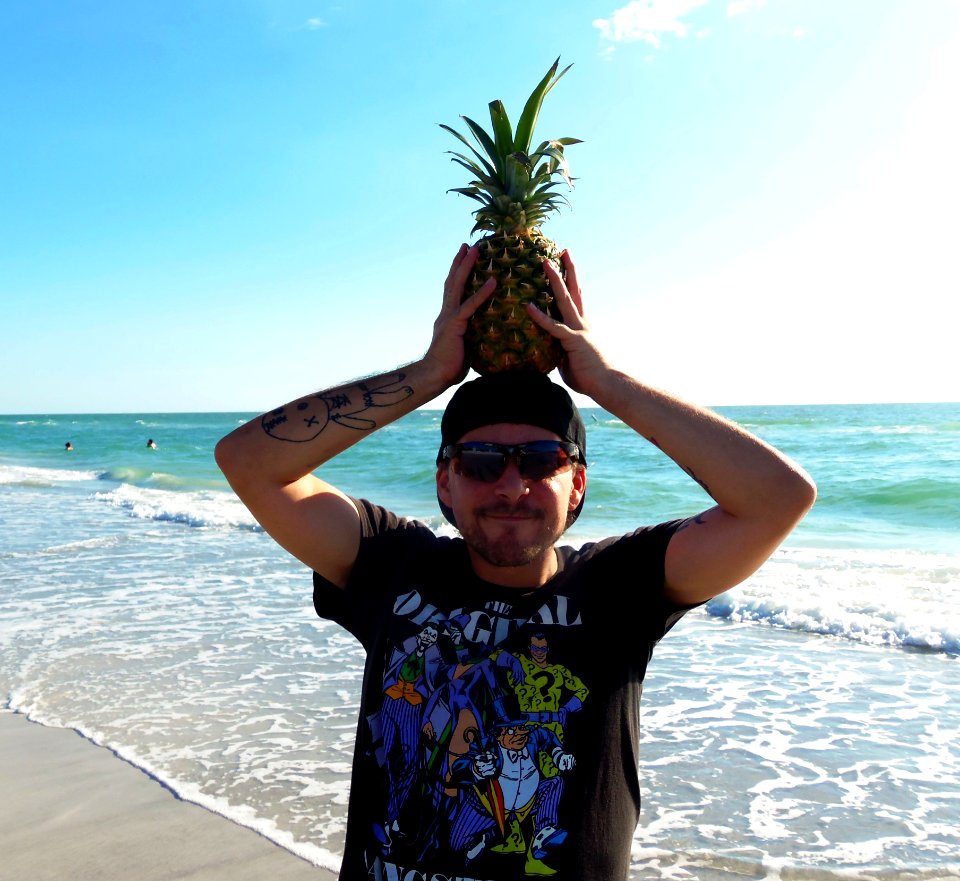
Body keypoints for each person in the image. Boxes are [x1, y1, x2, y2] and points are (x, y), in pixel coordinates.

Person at [215, 245, 816, 881]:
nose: (509, 486)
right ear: (445, 482)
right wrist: (429, 374)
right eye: (478, 462)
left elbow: (779, 499)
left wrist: (605, 383)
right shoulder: (391, 564)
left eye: (540, 460)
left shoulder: (619, 586)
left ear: (577, 484)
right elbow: (248, 460)